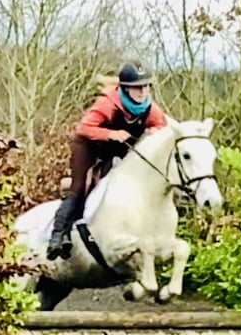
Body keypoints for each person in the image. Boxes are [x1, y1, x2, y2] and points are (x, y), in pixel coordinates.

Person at [46, 59, 168, 261]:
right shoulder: (108, 103)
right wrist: (110, 134)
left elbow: (163, 127)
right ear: (125, 89)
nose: (142, 92)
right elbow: (83, 128)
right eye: (137, 88)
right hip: (89, 146)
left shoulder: (150, 108)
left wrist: (156, 131)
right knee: (79, 185)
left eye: (145, 86)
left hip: (117, 150)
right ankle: (58, 235)